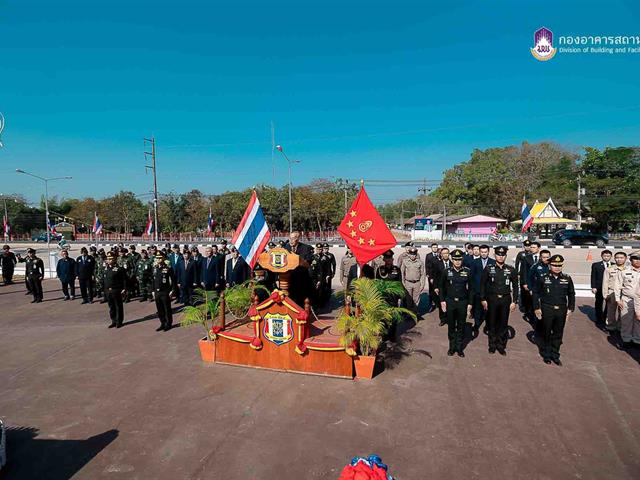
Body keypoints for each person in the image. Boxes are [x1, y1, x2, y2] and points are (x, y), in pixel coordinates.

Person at [533, 254, 575, 365]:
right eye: (554, 265)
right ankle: (546, 354)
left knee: (558, 333)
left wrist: (570, 309)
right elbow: (535, 293)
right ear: (550, 265)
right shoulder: (543, 277)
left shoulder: (567, 278)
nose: (557, 267)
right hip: (547, 308)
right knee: (546, 332)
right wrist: (537, 308)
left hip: (561, 310)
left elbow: (571, 294)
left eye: (559, 265)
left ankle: (555, 355)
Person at [480, 246, 518, 355]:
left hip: (505, 300)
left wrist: (514, 301)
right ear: (494, 255)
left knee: (503, 323)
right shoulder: (488, 268)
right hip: (492, 299)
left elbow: (515, 287)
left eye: (503, 255)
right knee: (492, 322)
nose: (500, 257)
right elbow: (482, 285)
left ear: (505, 256)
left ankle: (501, 346)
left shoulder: (511, 270)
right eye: (498, 254)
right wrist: (483, 299)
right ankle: (492, 345)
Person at [439, 249, 473, 357]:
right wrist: (442, 301)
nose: (457, 262)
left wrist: (470, 304)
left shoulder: (467, 271)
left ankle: (459, 348)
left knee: (461, 326)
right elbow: (441, 287)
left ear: (462, 260)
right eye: (455, 259)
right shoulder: (446, 271)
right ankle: (452, 347)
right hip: (450, 302)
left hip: (462, 302)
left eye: (459, 260)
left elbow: (471, 289)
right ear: (452, 260)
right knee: (451, 326)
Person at [613, 253, 640, 349]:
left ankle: (637, 340)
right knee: (626, 321)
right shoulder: (624, 272)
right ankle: (626, 340)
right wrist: (617, 299)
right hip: (627, 299)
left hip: (639, 302)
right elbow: (617, 286)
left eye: (639, 259)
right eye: (635, 259)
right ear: (631, 260)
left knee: (638, 322)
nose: (637, 261)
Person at [284, 231, 314, 306]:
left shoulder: (305, 248)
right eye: (290, 238)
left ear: (298, 239)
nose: (291, 240)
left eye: (293, 238)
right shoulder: (285, 248)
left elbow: (308, 262)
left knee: (300, 300)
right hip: (287, 278)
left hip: (301, 278)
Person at [470, 244, 495, 333]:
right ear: (479, 252)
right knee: (477, 308)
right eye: (482, 252)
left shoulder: (493, 262)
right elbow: (471, 277)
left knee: (489, 309)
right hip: (477, 290)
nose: (484, 254)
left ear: (488, 252)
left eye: (485, 252)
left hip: (489, 291)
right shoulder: (474, 262)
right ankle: (476, 324)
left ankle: (488, 325)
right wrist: (472, 289)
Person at [602, 251, 628, 331]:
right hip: (612, 292)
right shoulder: (609, 269)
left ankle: (620, 327)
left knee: (622, 311)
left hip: (623, 293)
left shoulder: (628, 269)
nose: (619, 260)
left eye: (621, 258)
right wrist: (605, 294)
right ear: (614, 258)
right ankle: (611, 326)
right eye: (617, 258)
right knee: (611, 311)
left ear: (625, 259)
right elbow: (605, 282)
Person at [152, 252, 176, 331]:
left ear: (163, 258)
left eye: (160, 258)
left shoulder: (168, 268)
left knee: (167, 309)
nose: (158, 259)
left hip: (165, 291)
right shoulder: (154, 268)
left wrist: (172, 290)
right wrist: (152, 290)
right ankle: (162, 323)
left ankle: (168, 323)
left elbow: (173, 280)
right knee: (159, 309)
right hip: (157, 292)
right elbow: (152, 280)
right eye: (157, 258)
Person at [103, 251, 127, 329]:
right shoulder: (106, 269)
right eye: (108, 258)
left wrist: (124, 289)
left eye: (111, 258)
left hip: (116, 290)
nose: (109, 260)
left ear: (115, 259)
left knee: (118, 306)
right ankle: (113, 321)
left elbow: (124, 280)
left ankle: (119, 321)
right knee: (111, 307)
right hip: (108, 290)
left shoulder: (119, 269)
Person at [520, 241, 541, 323]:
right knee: (529, 300)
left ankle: (538, 315)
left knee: (538, 300)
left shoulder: (542, 257)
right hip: (530, 283)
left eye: (534, 247)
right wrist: (524, 283)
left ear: (538, 248)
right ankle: (530, 315)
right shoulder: (527, 258)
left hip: (540, 283)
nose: (532, 249)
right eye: (531, 247)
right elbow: (524, 271)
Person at [401, 247, 425, 316]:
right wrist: (403, 283)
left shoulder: (420, 262)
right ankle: (409, 314)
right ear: (409, 254)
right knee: (408, 300)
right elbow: (402, 273)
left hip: (417, 283)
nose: (413, 256)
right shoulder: (405, 261)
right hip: (408, 283)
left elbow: (423, 274)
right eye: (411, 254)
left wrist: (422, 284)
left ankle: (414, 313)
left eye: (414, 254)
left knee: (416, 300)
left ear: (416, 254)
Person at [590, 250, 612, 326]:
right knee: (599, 303)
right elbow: (593, 276)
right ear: (602, 256)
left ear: (611, 257)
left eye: (608, 256)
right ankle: (598, 318)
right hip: (599, 287)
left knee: (609, 304)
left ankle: (605, 317)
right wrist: (593, 287)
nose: (606, 257)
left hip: (610, 288)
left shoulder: (614, 265)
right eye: (605, 256)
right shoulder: (596, 265)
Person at [432, 247, 451, 326]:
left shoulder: (453, 263)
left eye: (447, 253)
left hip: (451, 287)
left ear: (449, 254)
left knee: (450, 304)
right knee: (441, 304)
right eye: (443, 253)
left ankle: (450, 318)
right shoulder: (437, 263)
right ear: (441, 255)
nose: (445, 255)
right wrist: (435, 287)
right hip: (441, 287)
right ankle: (443, 319)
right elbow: (435, 276)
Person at [424, 243, 439, 311]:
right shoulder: (428, 255)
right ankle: (432, 303)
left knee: (438, 289)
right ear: (431, 248)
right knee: (431, 290)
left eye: (436, 247)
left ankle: (438, 303)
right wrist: (428, 275)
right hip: (431, 275)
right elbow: (426, 265)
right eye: (433, 247)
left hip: (438, 276)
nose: (435, 248)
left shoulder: (439, 255)